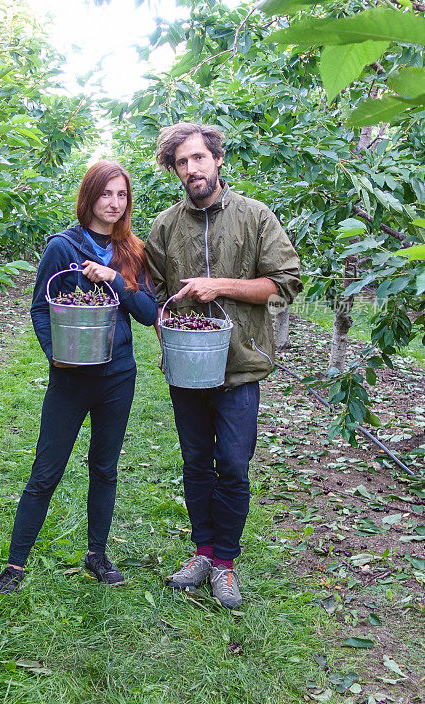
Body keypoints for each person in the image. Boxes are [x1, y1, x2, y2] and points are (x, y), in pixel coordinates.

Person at [145, 123, 302, 608]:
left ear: (216, 160)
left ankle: (226, 563)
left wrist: (221, 286)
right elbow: (153, 294)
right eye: (181, 163)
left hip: (240, 366)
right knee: (196, 463)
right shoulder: (166, 226)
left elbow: (286, 281)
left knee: (232, 465)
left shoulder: (254, 217)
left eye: (198, 158)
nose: (191, 169)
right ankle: (203, 552)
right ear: (176, 171)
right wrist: (169, 337)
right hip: (187, 369)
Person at [0, 160, 157, 596]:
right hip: (72, 377)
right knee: (46, 470)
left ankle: (96, 556)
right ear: (90, 196)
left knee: (104, 467)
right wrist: (56, 355)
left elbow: (147, 314)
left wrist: (116, 282)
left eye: (122, 195)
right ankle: (15, 565)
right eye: (106, 194)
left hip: (118, 374)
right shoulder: (63, 247)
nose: (114, 204)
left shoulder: (132, 252)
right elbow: (40, 308)